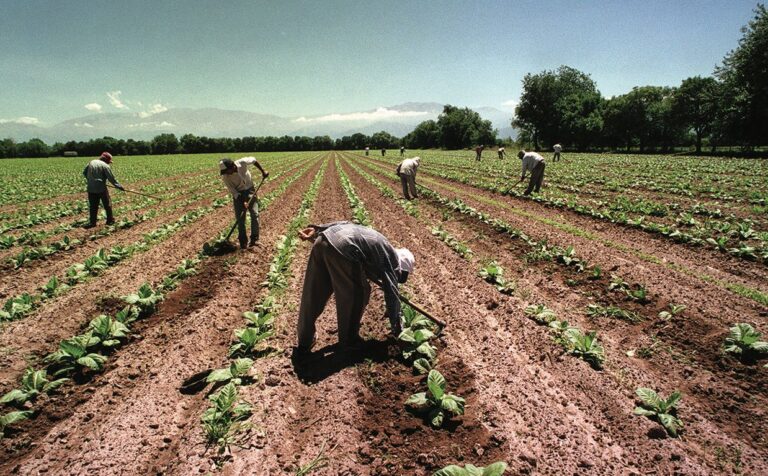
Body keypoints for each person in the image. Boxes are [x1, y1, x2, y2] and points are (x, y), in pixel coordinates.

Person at [295, 221, 415, 352]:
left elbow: (346, 224)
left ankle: (305, 339)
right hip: (343, 248)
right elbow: (392, 292)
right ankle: (349, 340)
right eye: (400, 275)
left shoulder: (379, 243)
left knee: (314, 292)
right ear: (400, 266)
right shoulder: (390, 258)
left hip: (322, 240)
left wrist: (318, 230)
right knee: (359, 293)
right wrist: (398, 329)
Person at [219, 157, 269, 249]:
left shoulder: (242, 163)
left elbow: (254, 160)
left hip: (250, 190)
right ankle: (243, 242)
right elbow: (234, 192)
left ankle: (254, 239)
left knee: (255, 214)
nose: (226, 173)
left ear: (232, 166)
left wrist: (263, 171)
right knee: (240, 219)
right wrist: (243, 201)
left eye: (227, 171)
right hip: (238, 195)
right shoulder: (226, 177)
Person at [82, 152, 124, 228]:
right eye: (109, 161)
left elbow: (84, 173)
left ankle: (92, 222)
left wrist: (91, 180)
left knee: (93, 206)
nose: (109, 163)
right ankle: (110, 220)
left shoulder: (91, 162)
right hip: (101, 188)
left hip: (91, 188)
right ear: (106, 160)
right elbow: (112, 179)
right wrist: (119, 186)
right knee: (107, 204)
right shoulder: (105, 166)